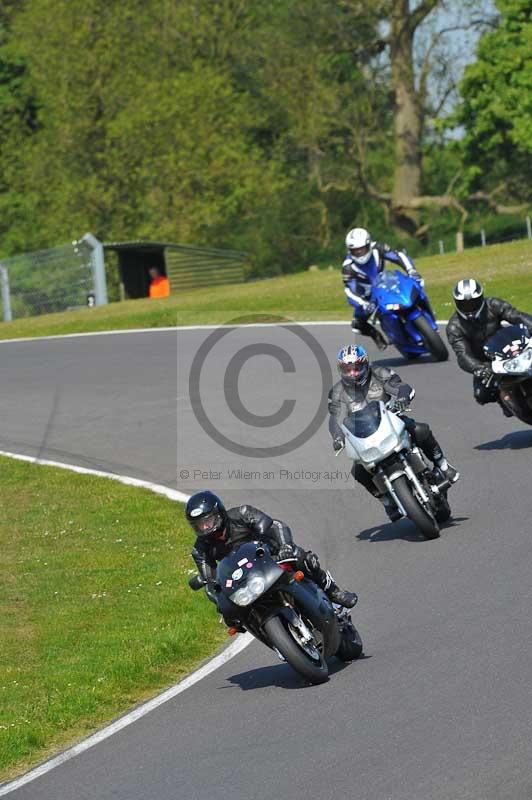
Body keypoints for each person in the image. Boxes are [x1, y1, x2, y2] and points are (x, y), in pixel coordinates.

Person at [186, 490, 358, 628]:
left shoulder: (242, 514)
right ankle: (267, 633)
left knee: (302, 558)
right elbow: (210, 584)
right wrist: (219, 601)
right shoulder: (200, 549)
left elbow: (275, 525)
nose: (205, 527)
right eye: (199, 525)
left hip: (270, 559)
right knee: (229, 612)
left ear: (219, 513)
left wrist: (285, 546)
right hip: (244, 581)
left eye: (207, 521)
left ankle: (334, 592)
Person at [328, 344, 459, 521]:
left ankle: (443, 465)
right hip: (366, 436)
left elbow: (400, 386)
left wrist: (403, 397)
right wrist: (337, 437)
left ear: (365, 365)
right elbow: (334, 418)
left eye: (356, 368)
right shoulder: (337, 392)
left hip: (391, 421)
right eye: (347, 370)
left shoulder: (380, 373)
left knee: (420, 429)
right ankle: (386, 500)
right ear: (340, 370)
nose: (353, 373)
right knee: (358, 471)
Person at [447, 279, 532, 415]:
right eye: (464, 304)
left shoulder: (493, 304)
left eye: (473, 302)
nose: (469, 307)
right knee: (482, 394)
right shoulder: (454, 326)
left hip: (511, 347)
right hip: (487, 363)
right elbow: (462, 355)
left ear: (481, 298)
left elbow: (517, 316)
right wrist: (479, 369)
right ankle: (503, 400)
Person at [342, 227, 423, 350]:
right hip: (368, 297)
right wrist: (363, 303)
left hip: (387, 282)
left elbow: (398, 256)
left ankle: (425, 311)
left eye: (362, 249)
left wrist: (411, 270)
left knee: (415, 287)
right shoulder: (348, 267)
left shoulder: (378, 248)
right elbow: (350, 291)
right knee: (357, 325)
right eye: (355, 251)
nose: (359, 253)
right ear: (350, 251)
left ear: (368, 244)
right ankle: (376, 335)